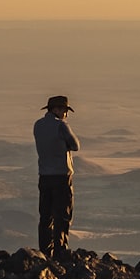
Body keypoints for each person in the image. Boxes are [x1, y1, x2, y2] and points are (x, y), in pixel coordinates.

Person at [33, 95, 81, 258]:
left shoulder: (38, 125)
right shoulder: (61, 126)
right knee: (62, 215)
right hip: (61, 176)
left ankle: (45, 252)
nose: (66, 114)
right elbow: (75, 145)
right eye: (65, 110)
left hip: (44, 175)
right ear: (57, 110)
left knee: (46, 216)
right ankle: (60, 251)